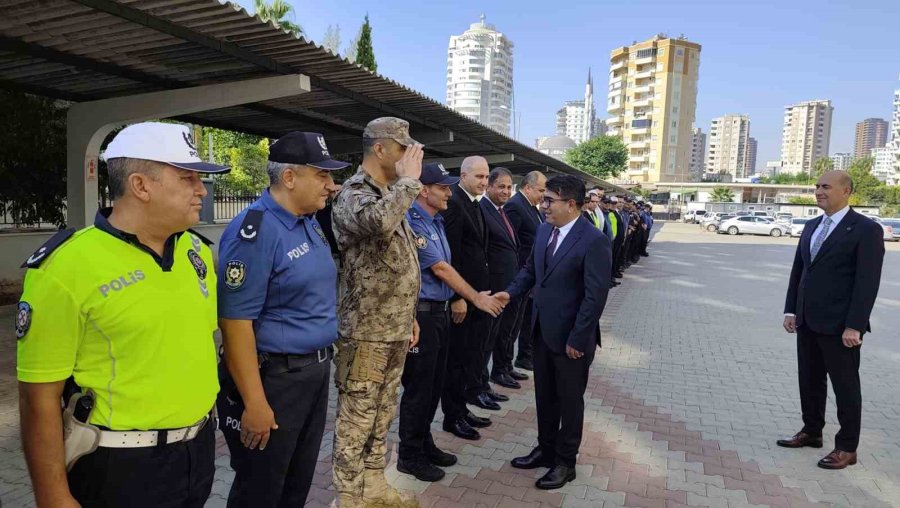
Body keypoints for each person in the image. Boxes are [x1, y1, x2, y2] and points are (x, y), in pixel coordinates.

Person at [16, 122, 228, 507]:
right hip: (119, 465)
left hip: (197, 452)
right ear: (141, 186)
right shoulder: (67, 265)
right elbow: (37, 397)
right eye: (187, 178)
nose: (202, 189)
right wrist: (53, 496)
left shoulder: (195, 252)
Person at [216, 132, 347, 507]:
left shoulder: (308, 222)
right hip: (276, 380)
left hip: (313, 375)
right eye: (321, 175)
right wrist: (255, 402)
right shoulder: (255, 232)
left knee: (296, 483)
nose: (331, 185)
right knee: (261, 489)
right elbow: (235, 323)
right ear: (289, 178)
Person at [330, 117, 424, 508]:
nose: (408, 159)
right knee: (356, 420)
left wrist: (410, 314)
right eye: (404, 150)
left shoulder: (388, 192)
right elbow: (378, 223)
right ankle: (349, 497)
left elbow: (396, 263)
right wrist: (409, 183)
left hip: (395, 327)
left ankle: (374, 485)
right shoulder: (355, 193)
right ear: (380, 148)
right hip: (365, 333)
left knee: (383, 413)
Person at [496, 175, 612, 490]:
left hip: (572, 340)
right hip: (542, 332)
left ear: (571, 204)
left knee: (570, 402)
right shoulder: (546, 230)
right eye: (543, 198)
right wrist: (508, 293)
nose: (543, 205)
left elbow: (595, 296)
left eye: (549, 200)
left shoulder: (593, 240)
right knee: (545, 398)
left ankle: (565, 462)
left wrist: (578, 338)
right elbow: (531, 271)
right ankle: (545, 450)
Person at [397, 163, 505, 482]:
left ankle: (424, 442)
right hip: (422, 316)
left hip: (439, 313)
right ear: (422, 190)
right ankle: (409, 454)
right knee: (418, 389)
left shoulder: (437, 221)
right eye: (442, 187)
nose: (448, 192)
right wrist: (475, 297)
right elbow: (441, 269)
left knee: (433, 386)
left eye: (448, 186)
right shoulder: (412, 223)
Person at [779, 170, 885, 470]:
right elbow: (799, 272)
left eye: (825, 186)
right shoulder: (812, 226)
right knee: (810, 382)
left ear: (846, 191)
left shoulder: (865, 229)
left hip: (841, 327)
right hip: (807, 322)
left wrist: (855, 324)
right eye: (816, 186)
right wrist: (791, 310)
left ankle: (847, 448)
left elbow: (867, 283)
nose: (818, 191)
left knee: (846, 388)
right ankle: (812, 432)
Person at [441, 155, 501, 438]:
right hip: (463, 300)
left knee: (470, 357)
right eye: (478, 177)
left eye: (486, 177)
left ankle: (462, 409)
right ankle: (452, 417)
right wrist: (456, 297)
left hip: (479, 296)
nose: (483, 182)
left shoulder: (475, 204)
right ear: (463, 175)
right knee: (457, 361)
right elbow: (450, 255)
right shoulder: (454, 204)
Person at [479, 167, 528, 390]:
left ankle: (489, 380)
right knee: (485, 342)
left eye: (509, 187)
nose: (506, 191)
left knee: (500, 335)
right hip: (493, 289)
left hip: (508, 287)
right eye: (501, 186)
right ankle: (479, 386)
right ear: (489, 186)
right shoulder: (483, 210)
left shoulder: (501, 211)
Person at [505, 171, 546, 372]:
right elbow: (512, 244)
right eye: (540, 190)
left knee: (522, 321)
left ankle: (520, 359)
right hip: (519, 275)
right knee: (511, 325)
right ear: (528, 187)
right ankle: (502, 368)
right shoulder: (515, 206)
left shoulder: (532, 208)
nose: (543, 195)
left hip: (528, 277)